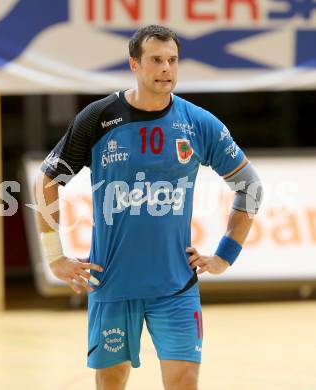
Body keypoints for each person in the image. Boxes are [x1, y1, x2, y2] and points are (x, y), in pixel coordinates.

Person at [35, 25, 263, 390]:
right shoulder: (99, 118)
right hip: (111, 282)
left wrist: (225, 256)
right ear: (134, 64)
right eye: (156, 60)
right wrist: (54, 255)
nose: (166, 69)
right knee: (112, 382)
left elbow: (249, 186)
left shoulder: (197, 123)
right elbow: (46, 181)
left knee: (184, 380)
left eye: (172, 60)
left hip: (175, 285)